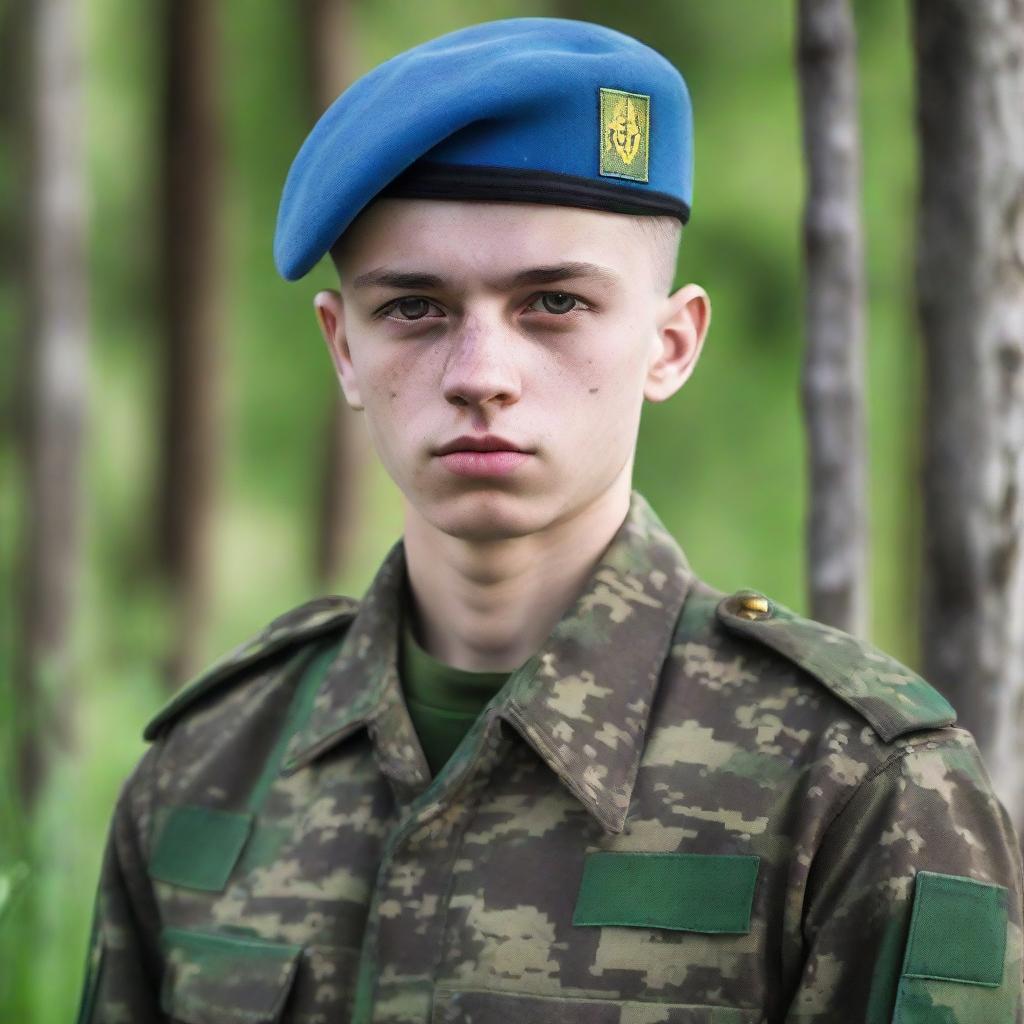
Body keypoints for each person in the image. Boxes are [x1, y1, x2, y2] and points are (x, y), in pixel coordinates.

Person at [75, 18, 1023, 1024]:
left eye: (553, 303)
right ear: (342, 348)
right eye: (413, 309)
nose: (481, 375)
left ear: (669, 343)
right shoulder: (203, 775)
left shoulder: (854, 789)